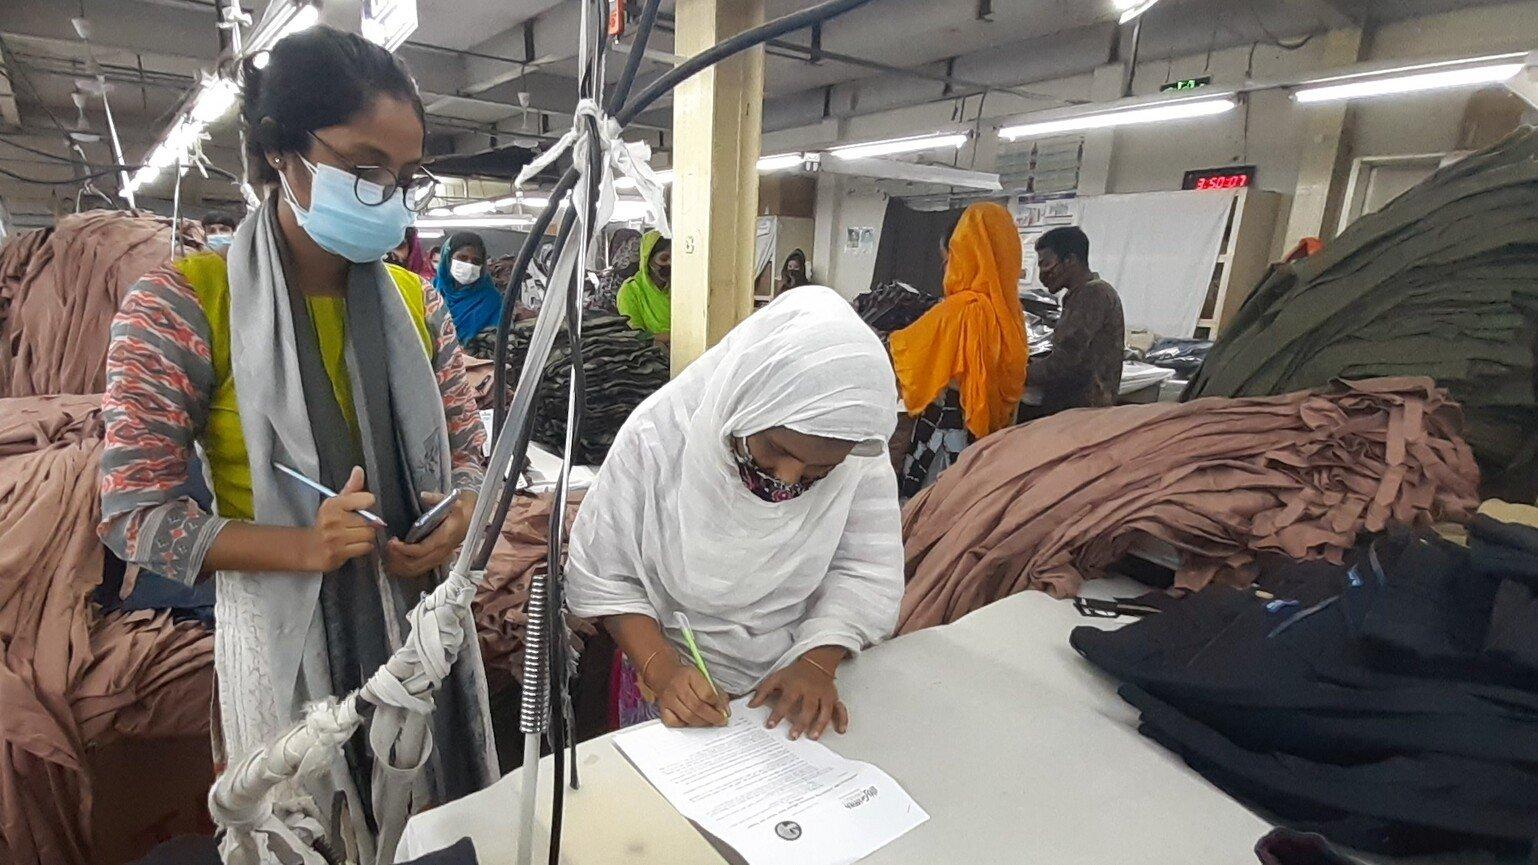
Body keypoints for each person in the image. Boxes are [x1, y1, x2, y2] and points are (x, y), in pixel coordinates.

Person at [97, 26, 494, 855]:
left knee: (430, 820)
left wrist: (453, 522)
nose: (389, 193)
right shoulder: (181, 306)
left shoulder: (419, 306)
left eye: (405, 176)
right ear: (282, 153)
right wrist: (298, 546)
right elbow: (133, 513)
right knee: (310, 825)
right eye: (363, 168)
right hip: (283, 637)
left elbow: (471, 465)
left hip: (420, 626)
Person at [565, 287, 903, 740]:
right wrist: (662, 670)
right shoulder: (659, 437)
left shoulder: (858, 452)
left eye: (819, 471)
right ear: (746, 404)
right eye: (776, 450)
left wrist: (816, 661)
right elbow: (606, 574)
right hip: (669, 672)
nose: (786, 478)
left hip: (790, 688)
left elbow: (864, 569)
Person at [888, 202, 1026, 499]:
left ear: (966, 252)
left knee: (928, 512)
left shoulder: (961, 311)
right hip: (985, 442)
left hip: (944, 438)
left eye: (949, 258)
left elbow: (908, 361)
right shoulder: (1012, 316)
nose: (945, 267)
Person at [1031, 226, 1124, 412]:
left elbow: (1066, 361)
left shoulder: (1092, 294)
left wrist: (1016, 375)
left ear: (1071, 260)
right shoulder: (1078, 295)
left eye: (1046, 264)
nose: (1042, 274)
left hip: (1084, 409)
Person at [432, 231, 503, 359]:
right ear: (448, 258)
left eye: (476, 261)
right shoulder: (430, 292)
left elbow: (495, 344)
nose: (469, 265)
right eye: (462, 258)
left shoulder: (492, 300)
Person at [617, 229, 671, 344]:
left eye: (675, 258)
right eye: (664, 259)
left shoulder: (681, 288)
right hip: (651, 355)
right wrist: (673, 337)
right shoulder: (630, 290)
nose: (670, 264)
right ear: (648, 259)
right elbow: (637, 336)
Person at [590, 227, 642, 314]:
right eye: (623, 249)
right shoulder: (608, 278)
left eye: (635, 249)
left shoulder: (644, 281)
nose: (626, 255)